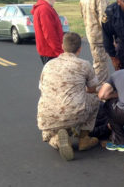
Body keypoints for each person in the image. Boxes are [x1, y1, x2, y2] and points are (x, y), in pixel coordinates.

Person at [37, 32, 100, 161]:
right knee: (95, 99)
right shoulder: (84, 64)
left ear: (62, 46)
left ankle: (57, 140)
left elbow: (42, 88)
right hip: (75, 111)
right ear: (80, 49)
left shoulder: (48, 65)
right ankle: (84, 138)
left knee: (48, 131)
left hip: (47, 114)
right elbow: (93, 89)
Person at [80, 0, 110, 85]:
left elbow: (83, 15)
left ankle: (97, 88)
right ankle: (100, 92)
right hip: (100, 36)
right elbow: (104, 20)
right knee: (101, 66)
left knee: (97, 62)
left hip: (90, 34)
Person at [31, 0, 64, 65]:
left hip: (49, 52)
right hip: (51, 53)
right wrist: (60, 53)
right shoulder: (44, 10)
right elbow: (49, 34)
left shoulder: (43, 8)